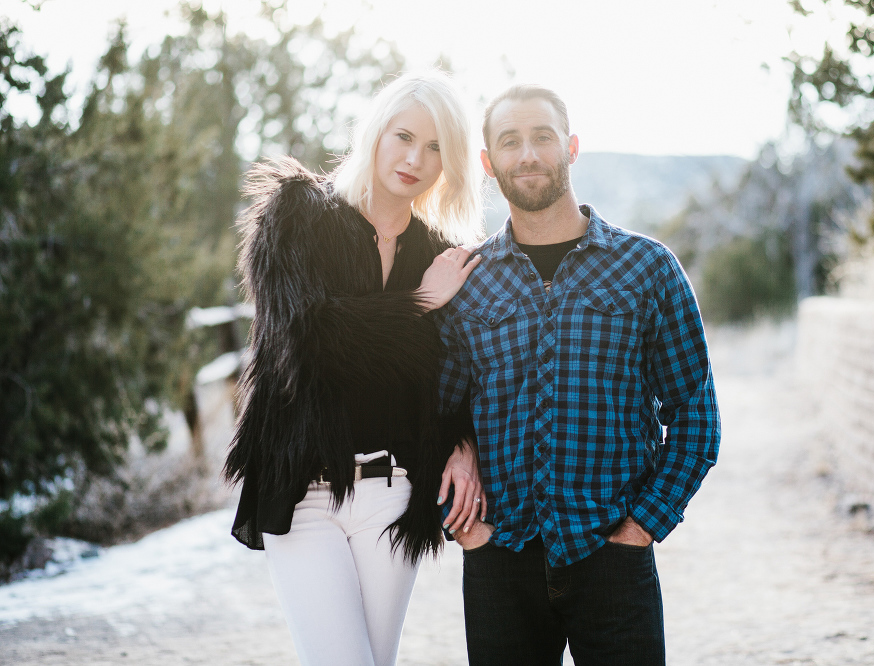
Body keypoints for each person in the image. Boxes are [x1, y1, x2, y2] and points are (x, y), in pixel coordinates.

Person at [437, 84, 722, 665]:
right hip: (501, 562)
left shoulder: (647, 268)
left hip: (612, 559)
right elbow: (432, 412)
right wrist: (468, 529)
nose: (529, 155)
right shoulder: (468, 281)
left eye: (543, 137)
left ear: (570, 148)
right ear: (489, 164)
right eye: (510, 142)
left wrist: (641, 528)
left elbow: (695, 415)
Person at [223, 72, 487, 666]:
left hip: (393, 492)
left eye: (437, 146)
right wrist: (419, 303)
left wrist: (464, 444)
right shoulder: (296, 214)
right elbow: (308, 337)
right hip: (304, 491)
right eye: (404, 136)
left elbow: (456, 374)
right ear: (375, 132)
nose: (416, 158)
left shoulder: (438, 254)